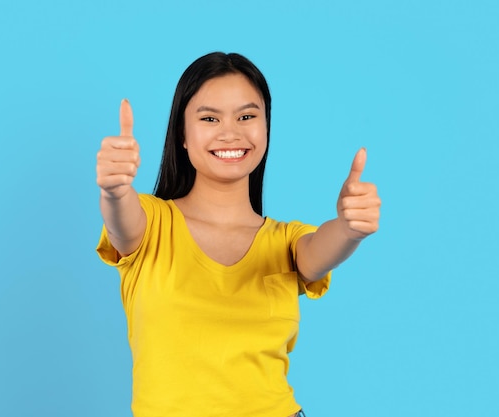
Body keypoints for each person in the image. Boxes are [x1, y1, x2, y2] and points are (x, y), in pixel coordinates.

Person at [95, 52, 381, 417]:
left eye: (247, 116)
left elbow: (320, 252)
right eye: (209, 118)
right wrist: (114, 190)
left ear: (265, 128)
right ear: (182, 134)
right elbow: (122, 221)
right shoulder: (152, 224)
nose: (230, 132)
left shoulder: (285, 240)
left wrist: (349, 228)